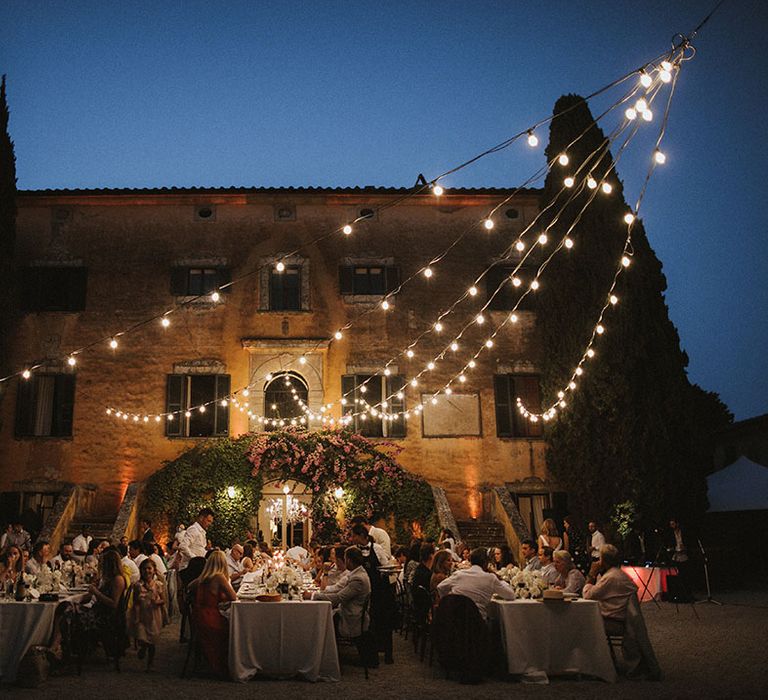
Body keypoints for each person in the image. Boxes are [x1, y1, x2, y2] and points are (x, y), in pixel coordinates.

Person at [48, 549, 128, 660]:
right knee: (65, 606)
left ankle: (60, 649)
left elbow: (113, 604)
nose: (100, 565)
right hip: (98, 611)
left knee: (67, 610)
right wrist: (94, 588)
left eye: (102, 562)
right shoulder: (107, 578)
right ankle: (58, 647)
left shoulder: (118, 580)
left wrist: (96, 592)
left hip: (105, 617)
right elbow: (91, 597)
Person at [350, 523, 395, 665]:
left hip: (380, 590)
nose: (351, 538)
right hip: (364, 591)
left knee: (384, 622)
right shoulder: (355, 551)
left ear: (362, 536)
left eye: (353, 535)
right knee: (369, 623)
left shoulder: (377, 548)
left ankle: (388, 654)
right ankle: (370, 654)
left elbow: (386, 566)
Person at [187, 550, 236, 678]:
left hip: (199, 616)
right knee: (234, 628)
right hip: (210, 618)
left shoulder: (203, 578)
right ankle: (225, 664)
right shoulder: (219, 577)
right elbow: (234, 597)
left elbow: (189, 586)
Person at [436, 548, 516, 620]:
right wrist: (500, 579)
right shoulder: (490, 578)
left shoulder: (458, 575)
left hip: (456, 620)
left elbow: (440, 587)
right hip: (477, 623)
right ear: (486, 563)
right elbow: (511, 595)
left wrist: (449, 601)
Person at [583, 544, 637, 635]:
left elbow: (587, 595)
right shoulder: (619, 574)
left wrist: (592, 574)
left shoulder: (610, 578)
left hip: (612, 621)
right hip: (621, 618)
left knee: (576, 621)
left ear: (603, 561)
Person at [130, 558, 166, 669]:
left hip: (154, 615)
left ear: (154, 570)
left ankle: (150, 663)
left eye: (149, 568)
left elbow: (164, 600)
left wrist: (157, 602)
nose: (147, 571)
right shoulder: (138, 585)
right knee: (142, 635)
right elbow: (135, 601)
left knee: (152, 640)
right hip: (142, 614)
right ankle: (143, 647)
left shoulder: (158, 585)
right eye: (144, 569)